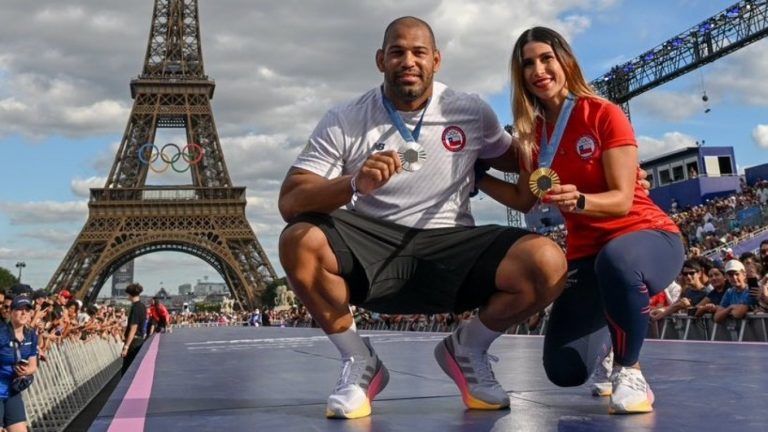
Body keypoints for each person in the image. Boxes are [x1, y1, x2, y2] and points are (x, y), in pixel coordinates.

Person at [278, 16, 568, 419]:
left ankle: (469, 347)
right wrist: (354, 183)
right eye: (397, 52)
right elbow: (291, 200)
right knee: (298, 240)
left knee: (547, 261)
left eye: (418, 52)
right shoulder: (344, 118)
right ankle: (359, 360)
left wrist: (610, 167)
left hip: (451, 248)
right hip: (374, 249)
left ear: (437, 60)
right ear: (381, 60)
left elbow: (528, 160)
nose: (408, 61)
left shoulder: (469, 110)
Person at [479, 26, 684, 414]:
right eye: (528, 64)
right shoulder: (533, 136)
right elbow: (524, 200)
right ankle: (610, 338)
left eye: (546, 59)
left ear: (565, 61)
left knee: (619, 262)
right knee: (564, 370)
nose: (538, 70)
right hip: (589, 256)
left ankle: (630, 371)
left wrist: (581, 199)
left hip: (645, 236)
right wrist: (479, 177)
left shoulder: (603, 113)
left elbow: (623, 200)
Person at [0, 295, 39, 432]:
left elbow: (33, 366)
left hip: (13, 391)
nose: (24, 313)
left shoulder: (31, 335)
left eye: (27, 310)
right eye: (19, 309)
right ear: (11, 312)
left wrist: (25, 372)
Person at [121, 283, 147, 375]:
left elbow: (133, 328)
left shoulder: (135, 308)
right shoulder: (143, 306)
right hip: (139, 339)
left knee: (126, 370)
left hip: (133, 342)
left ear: (130, 294)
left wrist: (126, 346)